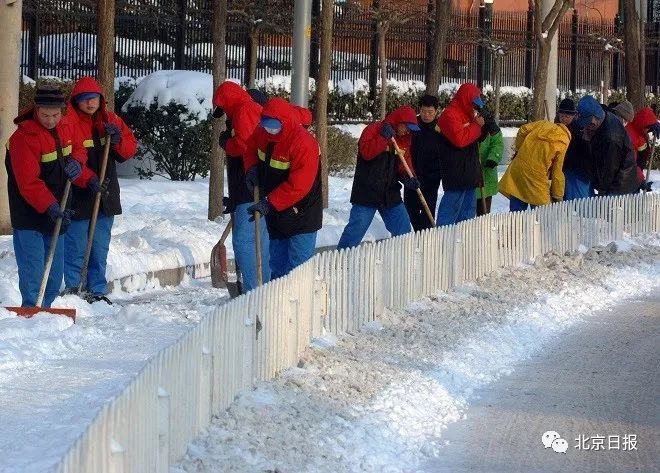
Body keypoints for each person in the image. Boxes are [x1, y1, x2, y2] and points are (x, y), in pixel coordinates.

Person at [6, 86, 95, 308]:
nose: (50, 120)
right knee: (34, 270)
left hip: (59, 210)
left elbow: (79, 148)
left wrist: (77, 162)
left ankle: (47, 312)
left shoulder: (66, 127)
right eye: (45, 115)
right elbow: (28, 183)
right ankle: (32, 310)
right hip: (30, 215)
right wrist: (50, 206)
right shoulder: (23, 137)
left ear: (62, 111)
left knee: (55, 274)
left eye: (55, 115)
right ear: (36, 110)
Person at [61, 77, 137, 304]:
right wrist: (88, 180)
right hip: (79, 193)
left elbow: (129, 149)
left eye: (93, 98)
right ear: (76, 101)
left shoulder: (110, 120)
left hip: (105, 192)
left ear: (100, 100)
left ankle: (97, 288)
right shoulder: (69, 123)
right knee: (76, 243)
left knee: (100, 245)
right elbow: (73, 157)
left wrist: (116, 140)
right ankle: (73, 287)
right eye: (84, 99)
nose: (90, 103)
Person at [243, 98, 323, 279]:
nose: (270, 130)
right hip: (277, 211)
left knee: (299, 268)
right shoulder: (262, 133)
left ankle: (301, 303)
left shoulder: (304, 143)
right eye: (266, 125)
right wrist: (252, 168)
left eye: (274, 126)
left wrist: (270, 202)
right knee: (278, 264)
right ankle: (276, 303)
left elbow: (299, 185)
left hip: (302, 211)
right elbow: (249, 148)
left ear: (284, 122)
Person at [212, 80, 270, 291]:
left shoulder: (244, 111)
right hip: (249, 188)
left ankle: (255, 291)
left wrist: (228, 143)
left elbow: (245, 146)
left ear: (228, 102)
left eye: (223, 108)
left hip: (251, 187)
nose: (224, 114)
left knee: (244, 242)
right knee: (261, 241)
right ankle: (266, 286)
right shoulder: (244, 111)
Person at [336, 105, 420, 249]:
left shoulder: (404, 139)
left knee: (403, 227)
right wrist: (382, 138)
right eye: (406, 127)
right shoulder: (373, 130)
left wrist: (408, 177)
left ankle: (401, 257)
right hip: (367, 191)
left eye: (410, 129)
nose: (407, 131)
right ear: (399, 121)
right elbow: (366, 153)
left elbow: (404, 163)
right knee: (356, 230)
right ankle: (339, 261)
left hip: (390, 193)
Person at [436, 83, 484, 225]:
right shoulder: (450, 114)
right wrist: (476, 126)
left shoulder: (470, 115)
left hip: (469, 169)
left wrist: (482, 127)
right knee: (452, 207)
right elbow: (460, 140)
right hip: (455, 170)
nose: (475, 107)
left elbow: (474, 138)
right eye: (473, 103)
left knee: (468, 210)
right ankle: (442, 237)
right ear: (465, 99)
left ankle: (464, 240)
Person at [498, 120, 570, 211]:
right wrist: (558, 195)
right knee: (541, 215)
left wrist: (519, 150)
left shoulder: (543, 124)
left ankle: (515, 224)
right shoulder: (563, 141)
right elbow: (557, 172)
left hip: (519, 170)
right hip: (537, 178)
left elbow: (523, 129)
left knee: (516, 213)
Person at [575, 95, 639, 196]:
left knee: (610, 210)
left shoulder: (611, 138)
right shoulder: (604, 116)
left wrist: (603, 191)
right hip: (611, 176)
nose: (585, 127)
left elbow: (610, 168)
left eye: (587, 124)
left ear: (595, 120)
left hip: (619, 183)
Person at [404, 94, 443, 231]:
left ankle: (425, 238)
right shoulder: (412, 126)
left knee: (428, 210)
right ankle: (417, 233)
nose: (426, 115)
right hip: (412, 175)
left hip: (432, 177)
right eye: (424, 111)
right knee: (410, 209)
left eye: (430, 112)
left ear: (436, 111)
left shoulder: (440, 128)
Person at [556, 98, 592, 201]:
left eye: (567, 116)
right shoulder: (557, 128)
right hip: (565, 169)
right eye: (562, 116)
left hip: (577, 170)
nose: (564, 119)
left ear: (573, 116)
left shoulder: (577, 130)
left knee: (578, 201)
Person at [475, 112, 503, 215]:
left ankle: (483, 226)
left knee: (484, 209)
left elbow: (497, 143)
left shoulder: (492, 127)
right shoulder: (468, 124)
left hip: (486, 173)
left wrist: (493, 158)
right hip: (471, 173)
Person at [625, 107, 660, 191]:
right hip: (627, 178)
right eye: (648, 128)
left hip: (634, 174)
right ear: (642, 125)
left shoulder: (640, 132)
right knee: (631, 203)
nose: (649, 131)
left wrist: (655, 124)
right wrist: (640, 180)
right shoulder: (630, 136)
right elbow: (631, 163)